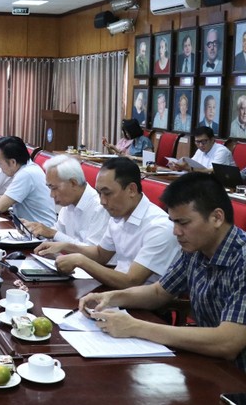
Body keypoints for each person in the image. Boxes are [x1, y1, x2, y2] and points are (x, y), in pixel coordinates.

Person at [79, 173, 246, 370]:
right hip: (210, 364)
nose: (175, 231)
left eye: (183, 223)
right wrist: (111, 297)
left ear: (217, 218)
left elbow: (228, 343)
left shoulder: (241, 259)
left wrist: (136, 327)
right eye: (173, 222)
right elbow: (159, 292)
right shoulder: (196, 249)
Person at [36, 157, 180, 288]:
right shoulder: (118, 216)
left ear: (131, 189)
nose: (102, 201)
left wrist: (80, 260)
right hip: (114, 291)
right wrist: (66, 246)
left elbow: (130, 281)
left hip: (143, 306)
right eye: (99, 193)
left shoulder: (159, 227)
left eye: (107, 193)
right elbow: (100, 254)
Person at [24, 155, 110, 245]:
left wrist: (52, 234)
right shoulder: (69, 203)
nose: (51, 195)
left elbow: (93, 252)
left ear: (73, 183)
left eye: (54, 188)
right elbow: (57, 233)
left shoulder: (100, 207)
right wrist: (35, 230)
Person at [0, 136, 56, 226]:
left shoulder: (26, 174)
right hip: (30, 229)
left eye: (0, 162)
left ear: (13, 162)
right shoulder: (29, 168)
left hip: (40, 234)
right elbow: (9, 198)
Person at [169, 126, 234, 174]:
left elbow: (211, 172)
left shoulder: (221, 151)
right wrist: (179, 167)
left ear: (212, 140)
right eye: (197, 142)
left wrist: (189, 169)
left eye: (204, 141)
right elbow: (192, 165)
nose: (200, 145)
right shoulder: (200, 151)